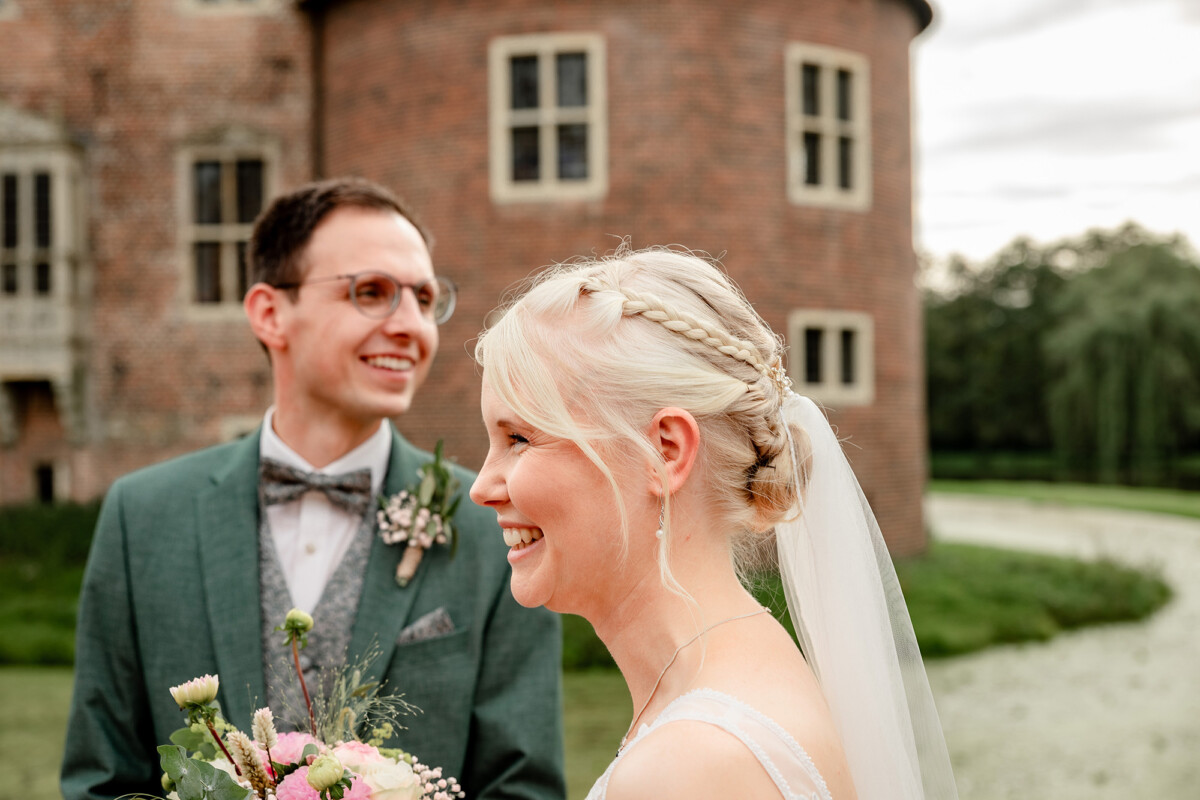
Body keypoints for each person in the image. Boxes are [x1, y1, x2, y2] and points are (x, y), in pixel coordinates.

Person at [61, 178, 565, 800]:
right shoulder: (142, 519)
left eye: (426, 298)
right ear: (271, 314)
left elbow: (524, 788)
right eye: (372, 292)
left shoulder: (498, 523)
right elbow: (102, 780)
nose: (412, 326)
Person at [470, 246, 959, 800]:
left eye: (519, 439)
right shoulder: (741, 683)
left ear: (664, 452)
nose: (481, 487)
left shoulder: (692, 767)